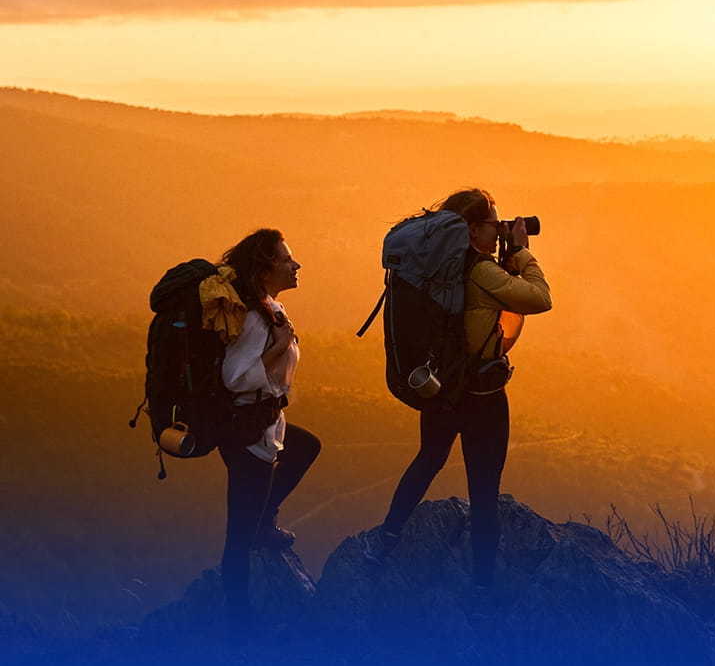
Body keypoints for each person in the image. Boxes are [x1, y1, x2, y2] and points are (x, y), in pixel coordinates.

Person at [363, 188, 552, 612]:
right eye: (493, 224)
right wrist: (521, 253)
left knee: (427, 459)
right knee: (484, 491)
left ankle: (385, 540)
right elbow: (540, 299)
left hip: (443, 386)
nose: (499, 229)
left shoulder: (438, 271)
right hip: (483, 396)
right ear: (471, 229)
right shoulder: (481, 272)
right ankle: (481, 588)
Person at [217, 228, 321, 641]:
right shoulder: (255, 320)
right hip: (246, 433)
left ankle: (265, 519)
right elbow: (234, 376)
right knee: (238, 535)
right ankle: (239, 623)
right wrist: (278, 346)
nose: (295, 266)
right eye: (286, 260)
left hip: (266, 424)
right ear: (264, 270)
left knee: (306, 446)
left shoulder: (270, 308)